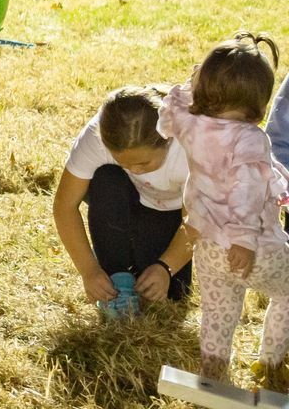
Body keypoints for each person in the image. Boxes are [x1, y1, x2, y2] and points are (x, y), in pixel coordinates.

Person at [157, 33, 289, 383]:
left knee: (218, 311)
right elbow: (246, 190)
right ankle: (271, 362)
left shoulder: (189, 124)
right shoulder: (249, 139)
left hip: (209, 246)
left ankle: (212, 371)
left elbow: (169, 112)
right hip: (254, 248)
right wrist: (244, 240)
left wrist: (197, 81)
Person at [51, 86, 196, 310]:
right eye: (124, 162)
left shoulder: (191, 146)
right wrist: (89, 270)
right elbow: (65, 205)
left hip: (174, 212)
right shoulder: (96, 136)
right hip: (125, 200)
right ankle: (115, 278)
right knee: (107, 177)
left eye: (144, 163)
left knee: (172, 295)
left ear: (167, 138)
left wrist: (166, 267)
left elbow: (199, 220)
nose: (134, 170)